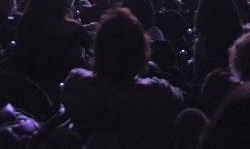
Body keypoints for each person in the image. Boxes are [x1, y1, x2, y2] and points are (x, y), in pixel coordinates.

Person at [61, 8, 185, 148]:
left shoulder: (77, 84)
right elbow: (180, 101)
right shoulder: (159, 93)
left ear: (99, 48)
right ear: (140, 51)